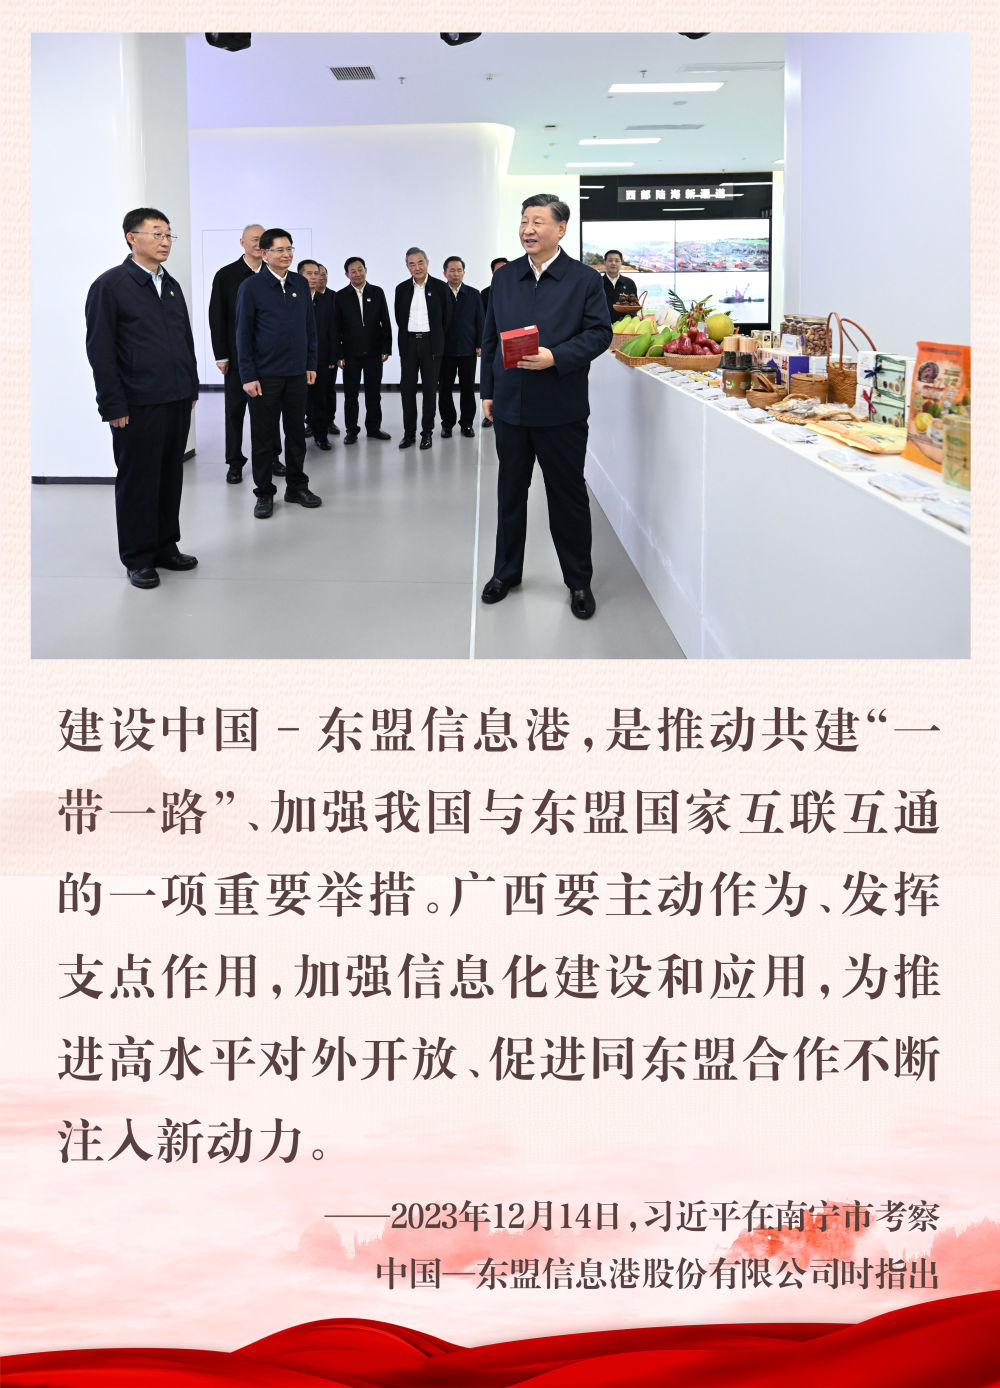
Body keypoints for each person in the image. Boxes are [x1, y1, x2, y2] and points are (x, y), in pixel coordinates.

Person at [480, 194, 612, 620]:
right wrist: (487, 392)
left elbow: (600, 334)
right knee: (510, 493)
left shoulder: (584, 280)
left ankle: (578, 581)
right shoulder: (505, 278)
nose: (528, 229)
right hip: (511, 408)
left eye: (537, 221)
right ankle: (506, 572)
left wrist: (557, 356)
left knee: (567, 497)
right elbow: (489, 338)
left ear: (561, 229)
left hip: (561, 409)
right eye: (524, 220)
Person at [85, 207, 199, 589]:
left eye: (168, 235)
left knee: (170, 476)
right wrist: (112, 404)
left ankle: (165, 546)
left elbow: (184, 339)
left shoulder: (171, 284)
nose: (165, 241)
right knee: (139, 481)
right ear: (132, 238)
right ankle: (137, 557)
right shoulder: (110, 285)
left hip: (176, 397)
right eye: (156, 234)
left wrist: (191, 385)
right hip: (136, 403)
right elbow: (100, 350)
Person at [235, 227, 321, 519]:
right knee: (263, 437)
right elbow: (243, 334)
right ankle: (264, 492)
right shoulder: (251, 287)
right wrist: (248, 375)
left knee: (296, 433)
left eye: (289, 249)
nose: (286, 255)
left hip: (296, 374)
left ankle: (297, 486)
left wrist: (310, 364)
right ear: (264, 253)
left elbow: (310, 328)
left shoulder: (300, 283)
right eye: (279, 250)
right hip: (264, 376)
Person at [207, 224, 269, 483]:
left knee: (267, 413)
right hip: (236, 358)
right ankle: (234, 461)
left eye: (263, 240)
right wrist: (221, 355)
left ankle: (271, 457)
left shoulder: (273, 274)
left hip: (269, 359)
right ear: (242, 242)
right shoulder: (226, 275)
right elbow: (216, 317)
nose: (258, 244)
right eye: (254, 239)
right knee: (235, 411)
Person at [394, 246, 449, 450]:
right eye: (412, 264)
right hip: (409, 343)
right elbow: (399, 318)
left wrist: (435, 337)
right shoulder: (401, 289)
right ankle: (408, 434)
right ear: (407, 266)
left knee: (429, 390)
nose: (417, 267)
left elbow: (447, 319)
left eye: (420, 263)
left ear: (427, 263)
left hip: (431, 344)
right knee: (407, 390)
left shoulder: (440, 288)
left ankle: (427, 433)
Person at [335, 256, 392, 444]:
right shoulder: (340, 296)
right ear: (347, 275)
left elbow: (385, 321)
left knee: (373, 393)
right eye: (353, 271)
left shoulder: (377, 292)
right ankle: (351, 430)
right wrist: (339, 354)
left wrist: (386, 347)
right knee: (350, 395)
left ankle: (374, 428)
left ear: (366, 270)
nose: (357, 274)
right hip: (350, 354)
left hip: (374, 352)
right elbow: (336, 328)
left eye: (360, 269)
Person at [438, 256, 484, 438]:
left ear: (464, 273)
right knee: (445, 389)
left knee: (468, 389)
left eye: (459, 270)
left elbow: (481, 321)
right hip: (445, 351)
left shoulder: (473, 294)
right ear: (445, 273)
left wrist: (480, 344)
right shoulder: (439, 293)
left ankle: (467, 423)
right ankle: (447, 424)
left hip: (467, 349)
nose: (455, 274)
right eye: (452, 270)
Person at [297, 258, 338, 450]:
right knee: (299, 400)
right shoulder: (292, 299)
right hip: (297, 359)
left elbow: (333, 331)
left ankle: (321, 436)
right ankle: (300, 434)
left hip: (321, 358)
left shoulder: (326, 301)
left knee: (320, 398)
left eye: (317, 274)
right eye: (309, 274)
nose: (314, 277)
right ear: (299, 276)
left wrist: (332, 356)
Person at [480, 258, 509, 427]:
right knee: (493, 376)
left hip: (513, 343)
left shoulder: (519, 290)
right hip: (494, 343)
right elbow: (484, 321)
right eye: (499, 270)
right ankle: (490, 413)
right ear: (493, 273)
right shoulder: (486, 293)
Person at [315, 264, 340, 437]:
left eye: (324, 274)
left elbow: (338, 329)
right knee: (310, 392)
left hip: (329, 353)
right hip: (310, 354)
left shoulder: (335, 297)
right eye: (318, 274)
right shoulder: (305, 296)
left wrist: (335, 355)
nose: (321, 278)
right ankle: (311, 422)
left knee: (329, 389)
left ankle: (329, 421)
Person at [600, 249, 640, 323]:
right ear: (604, 262)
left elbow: (634, 306)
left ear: (621, 262)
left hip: (624, 326)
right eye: (610, 260)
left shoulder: (629, 283)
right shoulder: (597, 283)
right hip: (601, 325)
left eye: (617, 261)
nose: (613, 263)